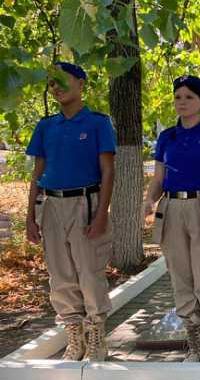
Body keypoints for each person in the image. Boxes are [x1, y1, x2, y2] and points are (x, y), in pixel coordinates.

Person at [25, 62, 116, 361]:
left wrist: (101, 214)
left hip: (84, 203)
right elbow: (37, 173)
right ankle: (74, 336)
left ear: (81, 83)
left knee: (89, 272)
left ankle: (97, 337)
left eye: (63, 81)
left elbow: (107, 171)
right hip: (51, 205)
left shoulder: (98, 123)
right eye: (51, 83)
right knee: (61, 274)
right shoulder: (46, 126)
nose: (57, 87)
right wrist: (30, 217)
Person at [144, 75, 200, 362]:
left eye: (189, 97)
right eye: (178, 96)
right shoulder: (166, 137)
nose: (182, 102)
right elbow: (159, 178)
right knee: (180, 275)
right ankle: (193, 339)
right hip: (172, 209)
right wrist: (148, 200)